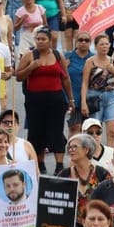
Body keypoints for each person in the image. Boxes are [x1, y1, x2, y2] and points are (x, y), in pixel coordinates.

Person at [16, 27, 74, 175]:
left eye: (43, 39)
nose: (40, 42)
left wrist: (71, 98)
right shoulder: (30, 55)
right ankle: (40, 163)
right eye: (38, 39)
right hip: (35, 100)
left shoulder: (57, 55)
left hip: (56, 100)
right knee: (36, 132)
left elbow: (65, 78)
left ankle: (59, 165)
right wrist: (31, 67)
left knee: (56, 131)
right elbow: (18, 76)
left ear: (49, 41)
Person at [66, 31, 93, 136]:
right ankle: (73, 150)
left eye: (86, 40)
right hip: (73, 98)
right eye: (80, 40)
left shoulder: (94, 58)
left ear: (90, 42)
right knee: (74, 127)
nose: (83, 42)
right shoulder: (68, 57)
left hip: (90, 99)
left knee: (89, 128)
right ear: (75, 42)